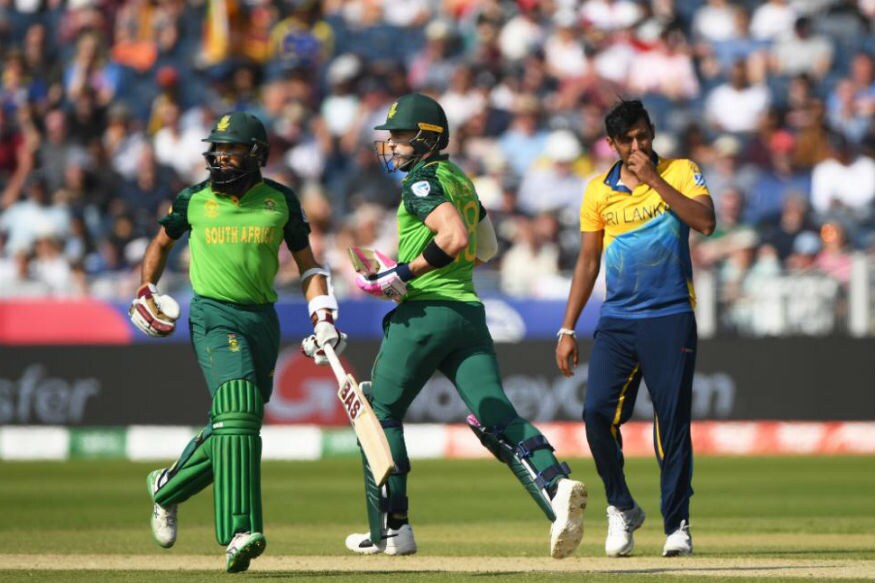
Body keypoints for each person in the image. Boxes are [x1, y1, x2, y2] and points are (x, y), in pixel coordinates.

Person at [344, 92, 587, 559]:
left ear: (426, 138)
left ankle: (394, 529)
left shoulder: (421, 181)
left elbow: (453, 237)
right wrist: (426, 265)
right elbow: (486, 248)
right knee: (497, 415)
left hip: (424, 314)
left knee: (379, 411)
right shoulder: (461, 179)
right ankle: (557, 486)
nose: (392, 146)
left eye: (400, 137)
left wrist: (402, 273)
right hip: (468, 315)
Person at [131, 111, 346, 573]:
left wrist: (323, 315)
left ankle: (167, 486)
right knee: (238, 409)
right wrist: (146, 288)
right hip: (213, 314)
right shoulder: (194, 198)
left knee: (237, 421)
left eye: (231, 150)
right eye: (217, 149)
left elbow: (309, 265)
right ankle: (238, 532)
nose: (221, 157)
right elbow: (161, 243)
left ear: (256, 154)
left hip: (262, 319)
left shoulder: (280, 200)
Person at [555, 99, 716, 558]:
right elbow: (588, 261)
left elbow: (706, 222)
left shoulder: (681, 171)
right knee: (595, 414)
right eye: (627, 140)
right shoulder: (597, 191)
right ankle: (622, 506)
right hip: (618, 319)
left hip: (670, 315)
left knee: (671, 423)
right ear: (612, 144)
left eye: (643, 135)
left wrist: (654, 180)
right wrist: (567, 329)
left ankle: (677, 525)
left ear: (652, 132)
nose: (637, 146)